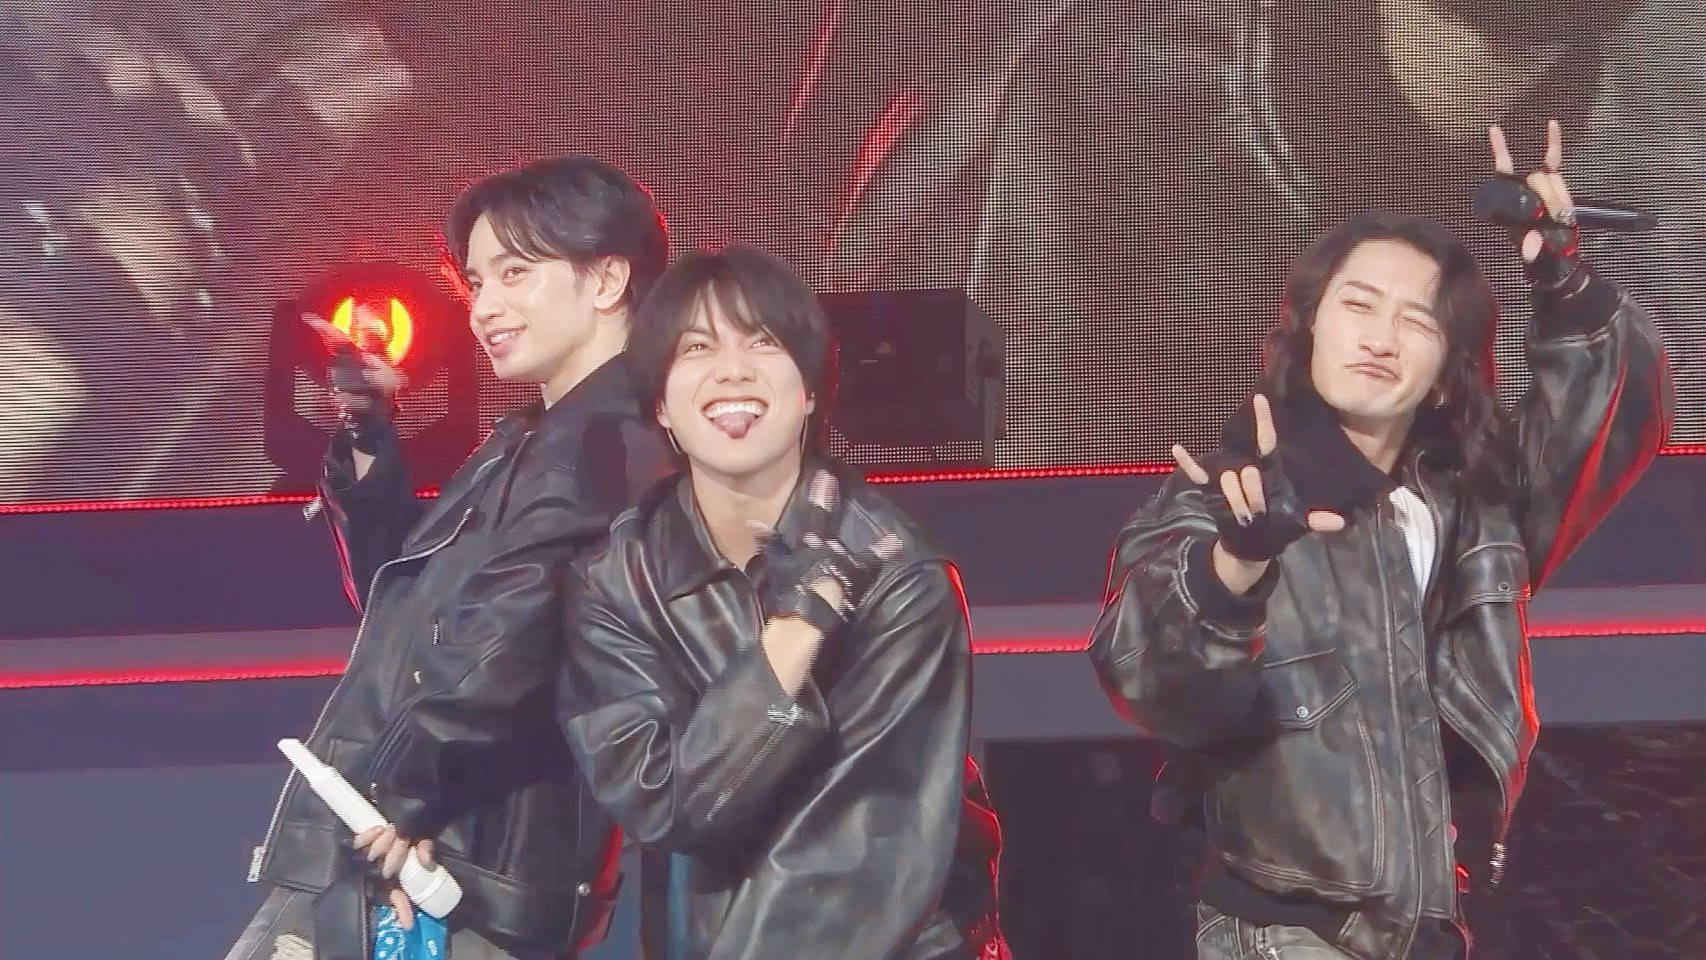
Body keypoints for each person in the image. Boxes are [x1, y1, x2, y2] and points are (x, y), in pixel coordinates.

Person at [1088, 122, 1671, 959]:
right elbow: (1147, 679)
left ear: (1445, 370)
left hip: (1435, 929)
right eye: (1358, 306)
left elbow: (1617, 414)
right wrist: (1234, 568)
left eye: (1418, 320)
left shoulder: (1471, 511)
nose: (1382, 337)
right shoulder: (1231, 496)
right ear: (1309, 330)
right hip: (1287, 933)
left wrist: (1559, 272)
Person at [225, 155, 674, 960]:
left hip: (451, 867)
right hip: (426, 850)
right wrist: (368, 429)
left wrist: (392, 799)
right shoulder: (537, 442)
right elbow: (398, 597)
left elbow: (507, 643)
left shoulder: (606, 445)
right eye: (476, 281)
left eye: (515, 273)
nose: (484, 308)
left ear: (607, 279)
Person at [556, 245, 1009, 959]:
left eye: (762, 342)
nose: (732, 369)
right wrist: (792, 638)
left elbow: (860, 849)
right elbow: (660, 801)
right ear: (661, 405)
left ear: (810, 392)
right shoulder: (617, 579)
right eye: (697, 347)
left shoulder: (898, 572)